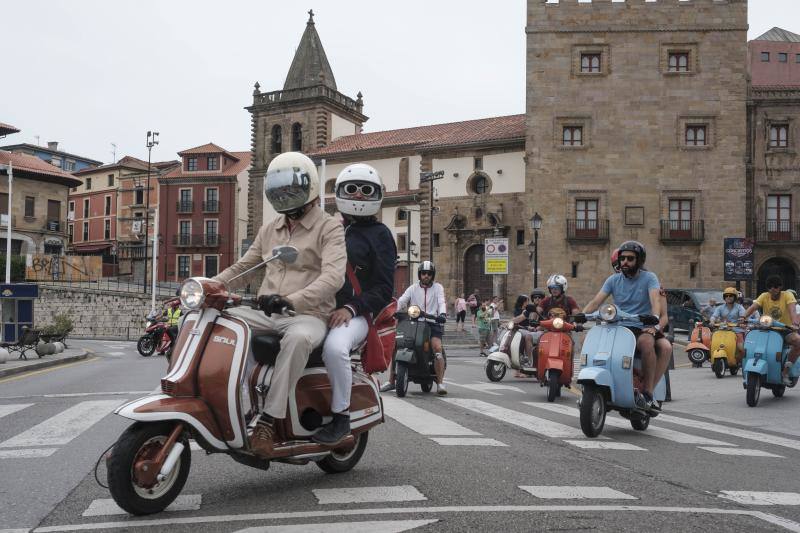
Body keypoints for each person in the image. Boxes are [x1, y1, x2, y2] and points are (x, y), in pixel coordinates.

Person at [214, 151, 346, 456]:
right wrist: (210, 285)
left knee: (298, 339)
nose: (285, 195)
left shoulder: (329, 228)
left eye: (292, 188)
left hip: (308, 315)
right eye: (280, 189)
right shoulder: (269, 228)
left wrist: (291, 300)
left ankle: (268, 421)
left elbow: (333, 278)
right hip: (267, 312)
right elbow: (243, 268)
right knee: (221, 324)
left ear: (308, 186)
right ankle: (226, 400)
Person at [312, 163, 395, 446]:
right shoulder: (329, 227)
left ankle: (341, 416)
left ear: (376, 195)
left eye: (365, 190)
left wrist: (351, 308)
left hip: (356, 314)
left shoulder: (381, 234)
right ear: (340, 192)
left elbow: (384, 288)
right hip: (318, 308)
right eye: (352, 189)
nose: (358, 196)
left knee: (335, 348)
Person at [583, 241, 672, 411]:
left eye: (630, 259)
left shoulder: (650, 278)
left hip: (642, 325)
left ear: (639, 261)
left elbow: (656, 302)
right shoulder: (613, 280)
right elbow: (596, 301)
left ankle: (648, 392)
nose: (625, 262)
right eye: (622, 258)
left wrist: (653, 320)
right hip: (618, 325)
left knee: (650, 344)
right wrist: (580, 316)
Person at [386, 261, 448, 395]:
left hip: (432, 322)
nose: (426, 276)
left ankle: (441, 383)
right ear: (419, 275)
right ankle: (391, 380)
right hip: (413, 322)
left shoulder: (438, 288)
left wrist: (442, 314)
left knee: (437, 347)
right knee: (396, 345)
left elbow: (441, 302)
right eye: (424, 273)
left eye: (429, 274)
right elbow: (402, 300)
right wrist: (392, 310)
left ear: (432, 275)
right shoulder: (413, 288)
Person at [743, 275, 800, 386]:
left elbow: (792, 309)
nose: (772, 289)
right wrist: (743, 317)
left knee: (798, 342)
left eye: (775, 286)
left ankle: (785, 372)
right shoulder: (764, 296)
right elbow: (753, 307)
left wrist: (794, 323)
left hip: (785, 329)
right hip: (766, 328)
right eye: (770, 287)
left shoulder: (787, 295)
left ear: (780, 287)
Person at [711, 287, 747, 361]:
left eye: (731, 296)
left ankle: (741, 360)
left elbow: (743, 317)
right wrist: (712, 321)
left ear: (735, 297)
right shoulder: (720, 308)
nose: (728, 297)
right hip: (722, 329)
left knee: (741, 348)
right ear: (724, 297)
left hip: (737, 330)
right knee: (712, 341)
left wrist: (742, 321)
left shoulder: (740, 307)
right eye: (726, 296)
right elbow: (714, 316)